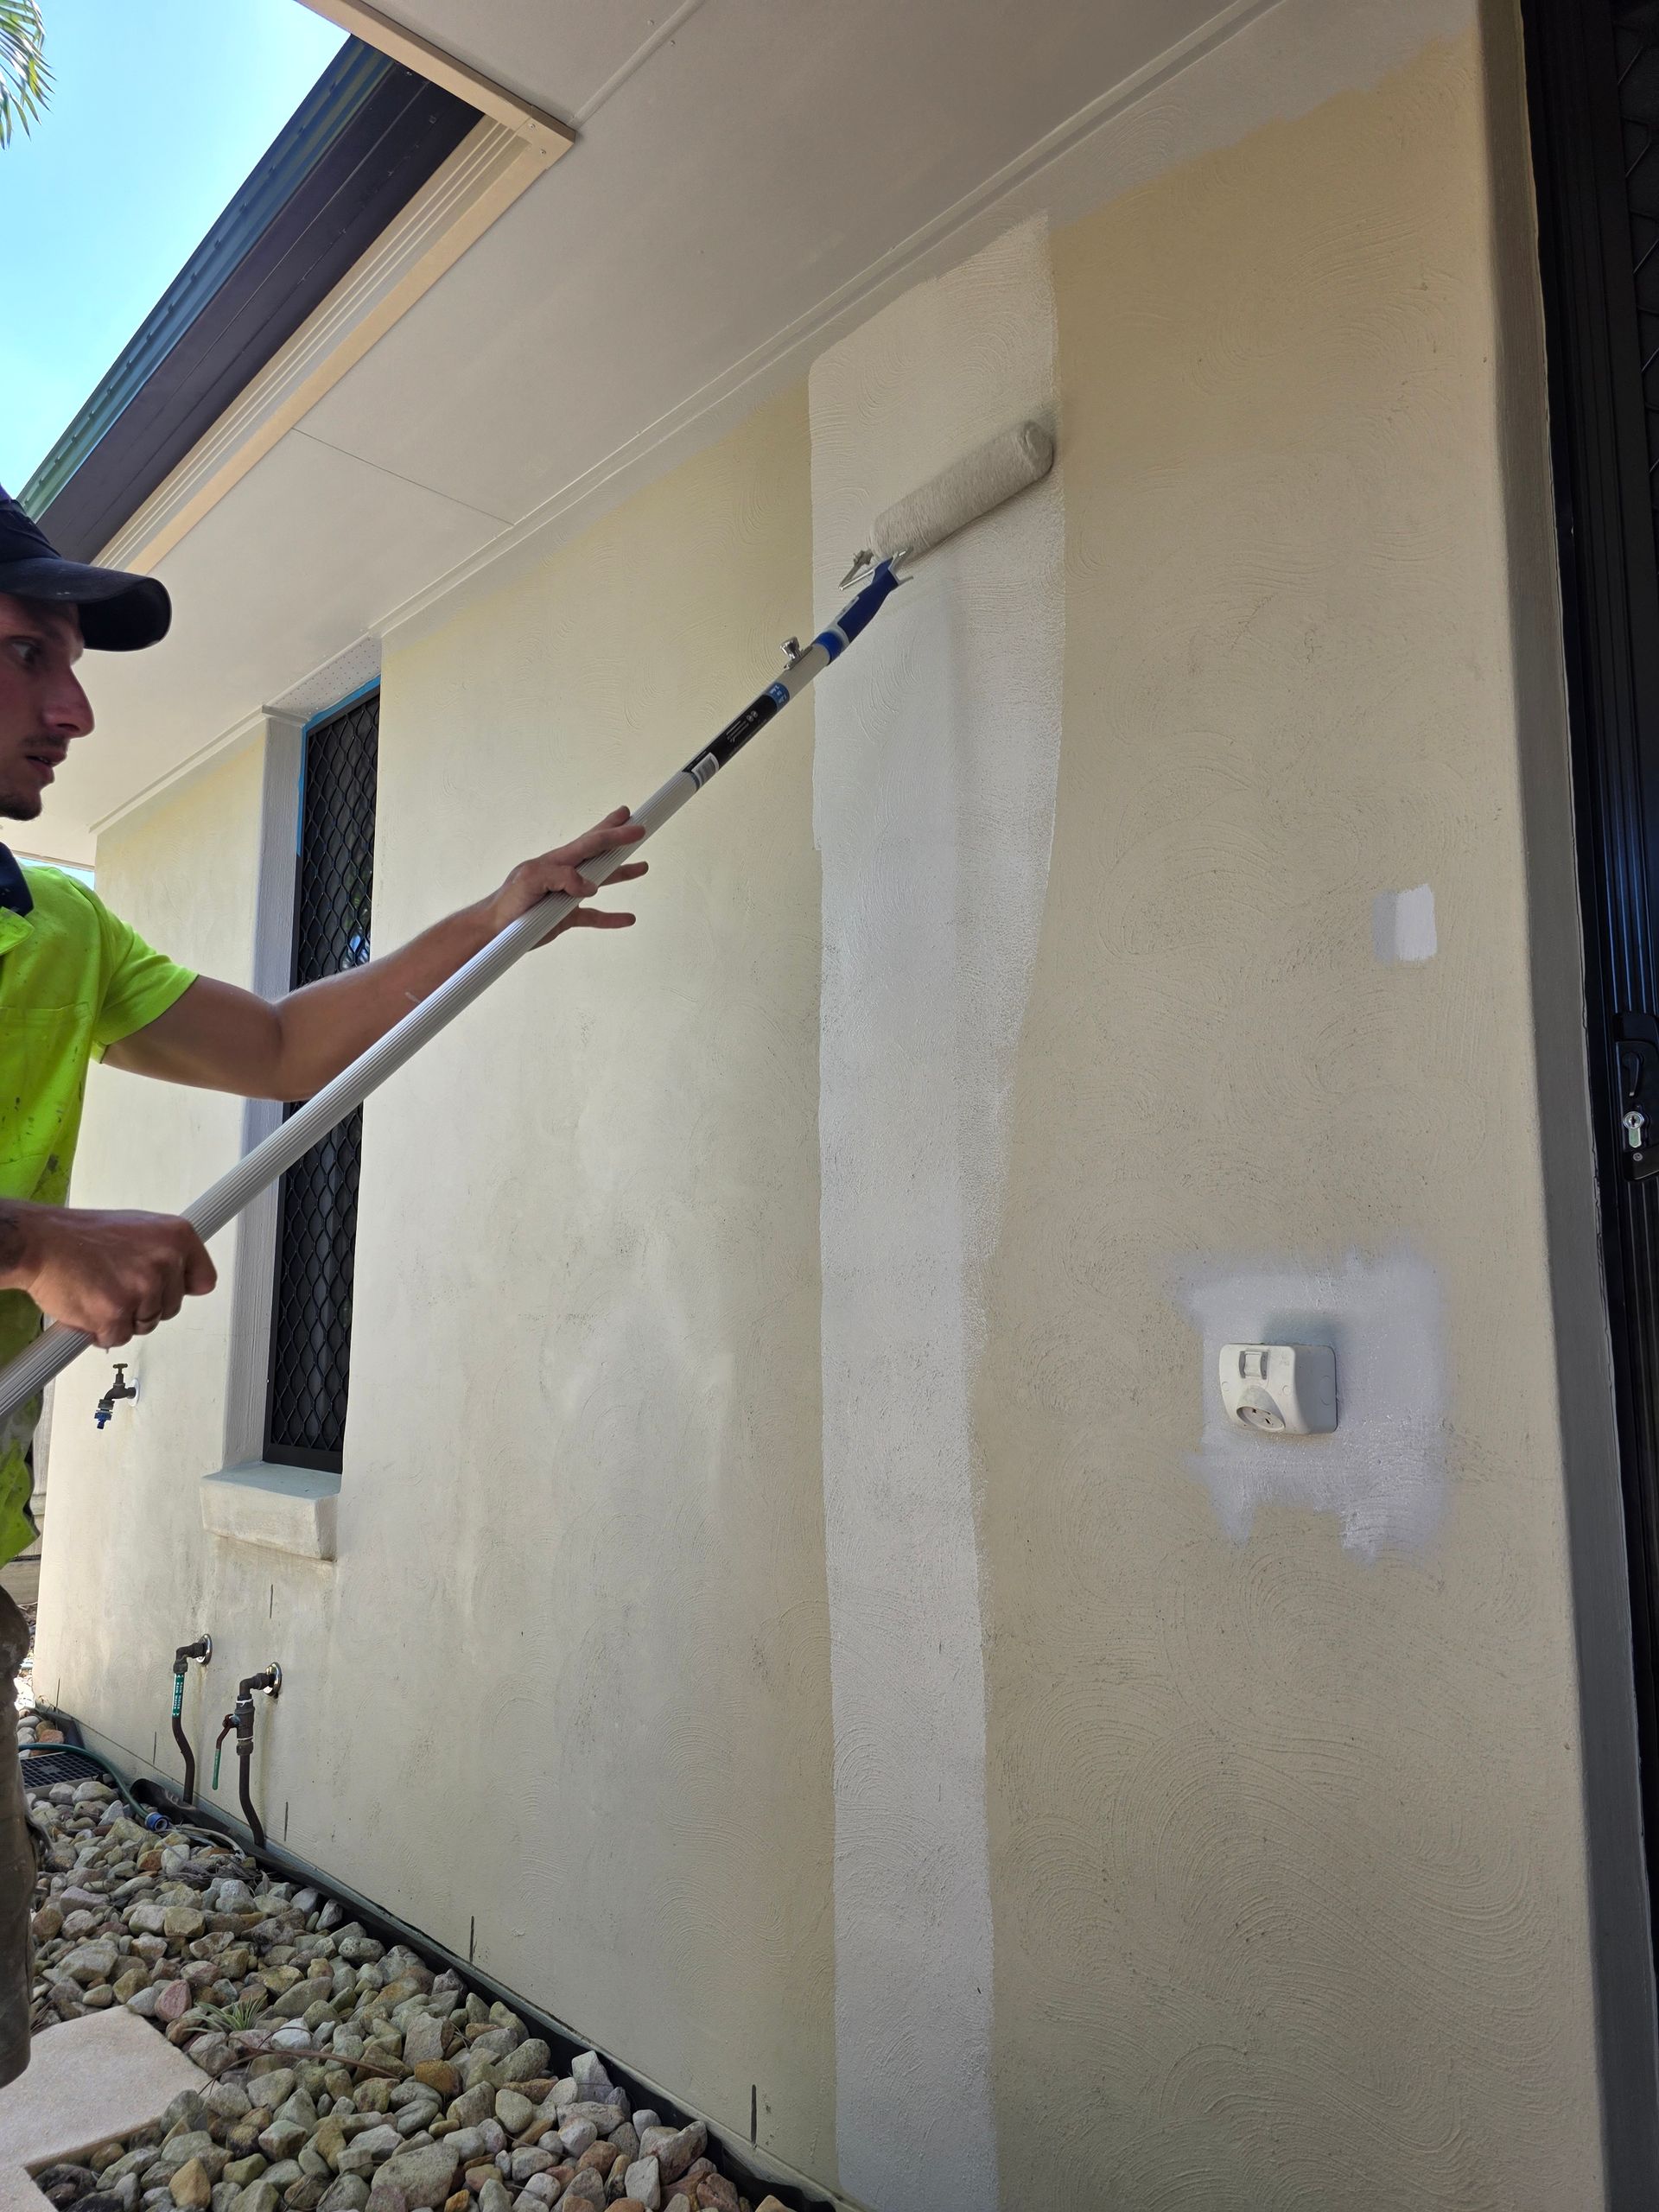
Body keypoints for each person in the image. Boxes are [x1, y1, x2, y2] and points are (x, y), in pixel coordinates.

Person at [0, 488, 648, 2087]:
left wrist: (492, 921)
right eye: (24, 657)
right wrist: (30, 1242)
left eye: (71, 665)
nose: (74, 710)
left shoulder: (56, 927)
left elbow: (287, 1045)